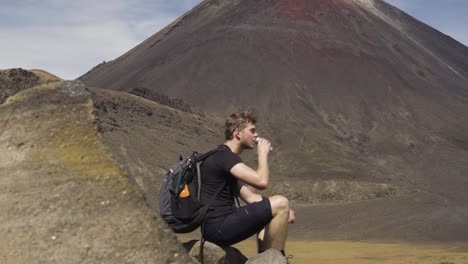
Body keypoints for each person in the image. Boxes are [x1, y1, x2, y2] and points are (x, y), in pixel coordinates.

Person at [200, 111, 295, 256]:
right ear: (238, 133)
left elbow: (250, 197)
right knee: (281, 202)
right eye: (252, 131)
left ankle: (265, 259)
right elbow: (262, 182)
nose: (256, 135)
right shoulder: (224, 157)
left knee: (273, 210)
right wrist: (262, 154)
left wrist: (283, 210)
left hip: (217, 227)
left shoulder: (223, 158)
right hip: (218, 227)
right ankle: (277, 259)